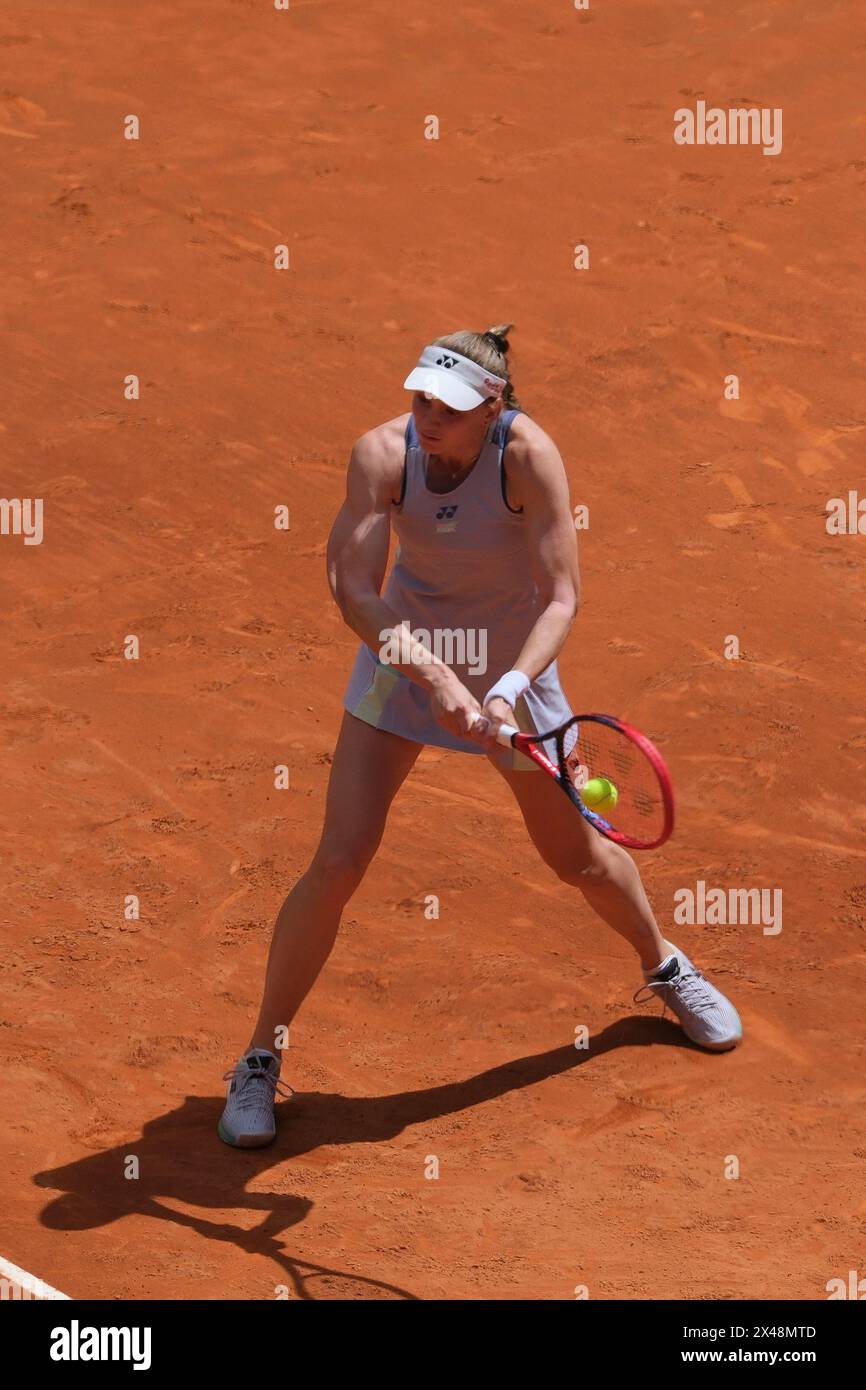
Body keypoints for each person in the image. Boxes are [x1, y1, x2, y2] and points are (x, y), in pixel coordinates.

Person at [218, 325, 742, 1148]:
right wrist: (440, 682)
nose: (427, 418)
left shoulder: (529, 457)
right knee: (340, 860)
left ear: (492, 408)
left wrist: (505, 689)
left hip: (512, 667)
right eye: (420, 399)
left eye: (449, 409)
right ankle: (257, 1058)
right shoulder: (382, 456)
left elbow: (560, 596)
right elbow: (355, 591)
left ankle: (662, 963)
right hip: (406, 659)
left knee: (574, 856)